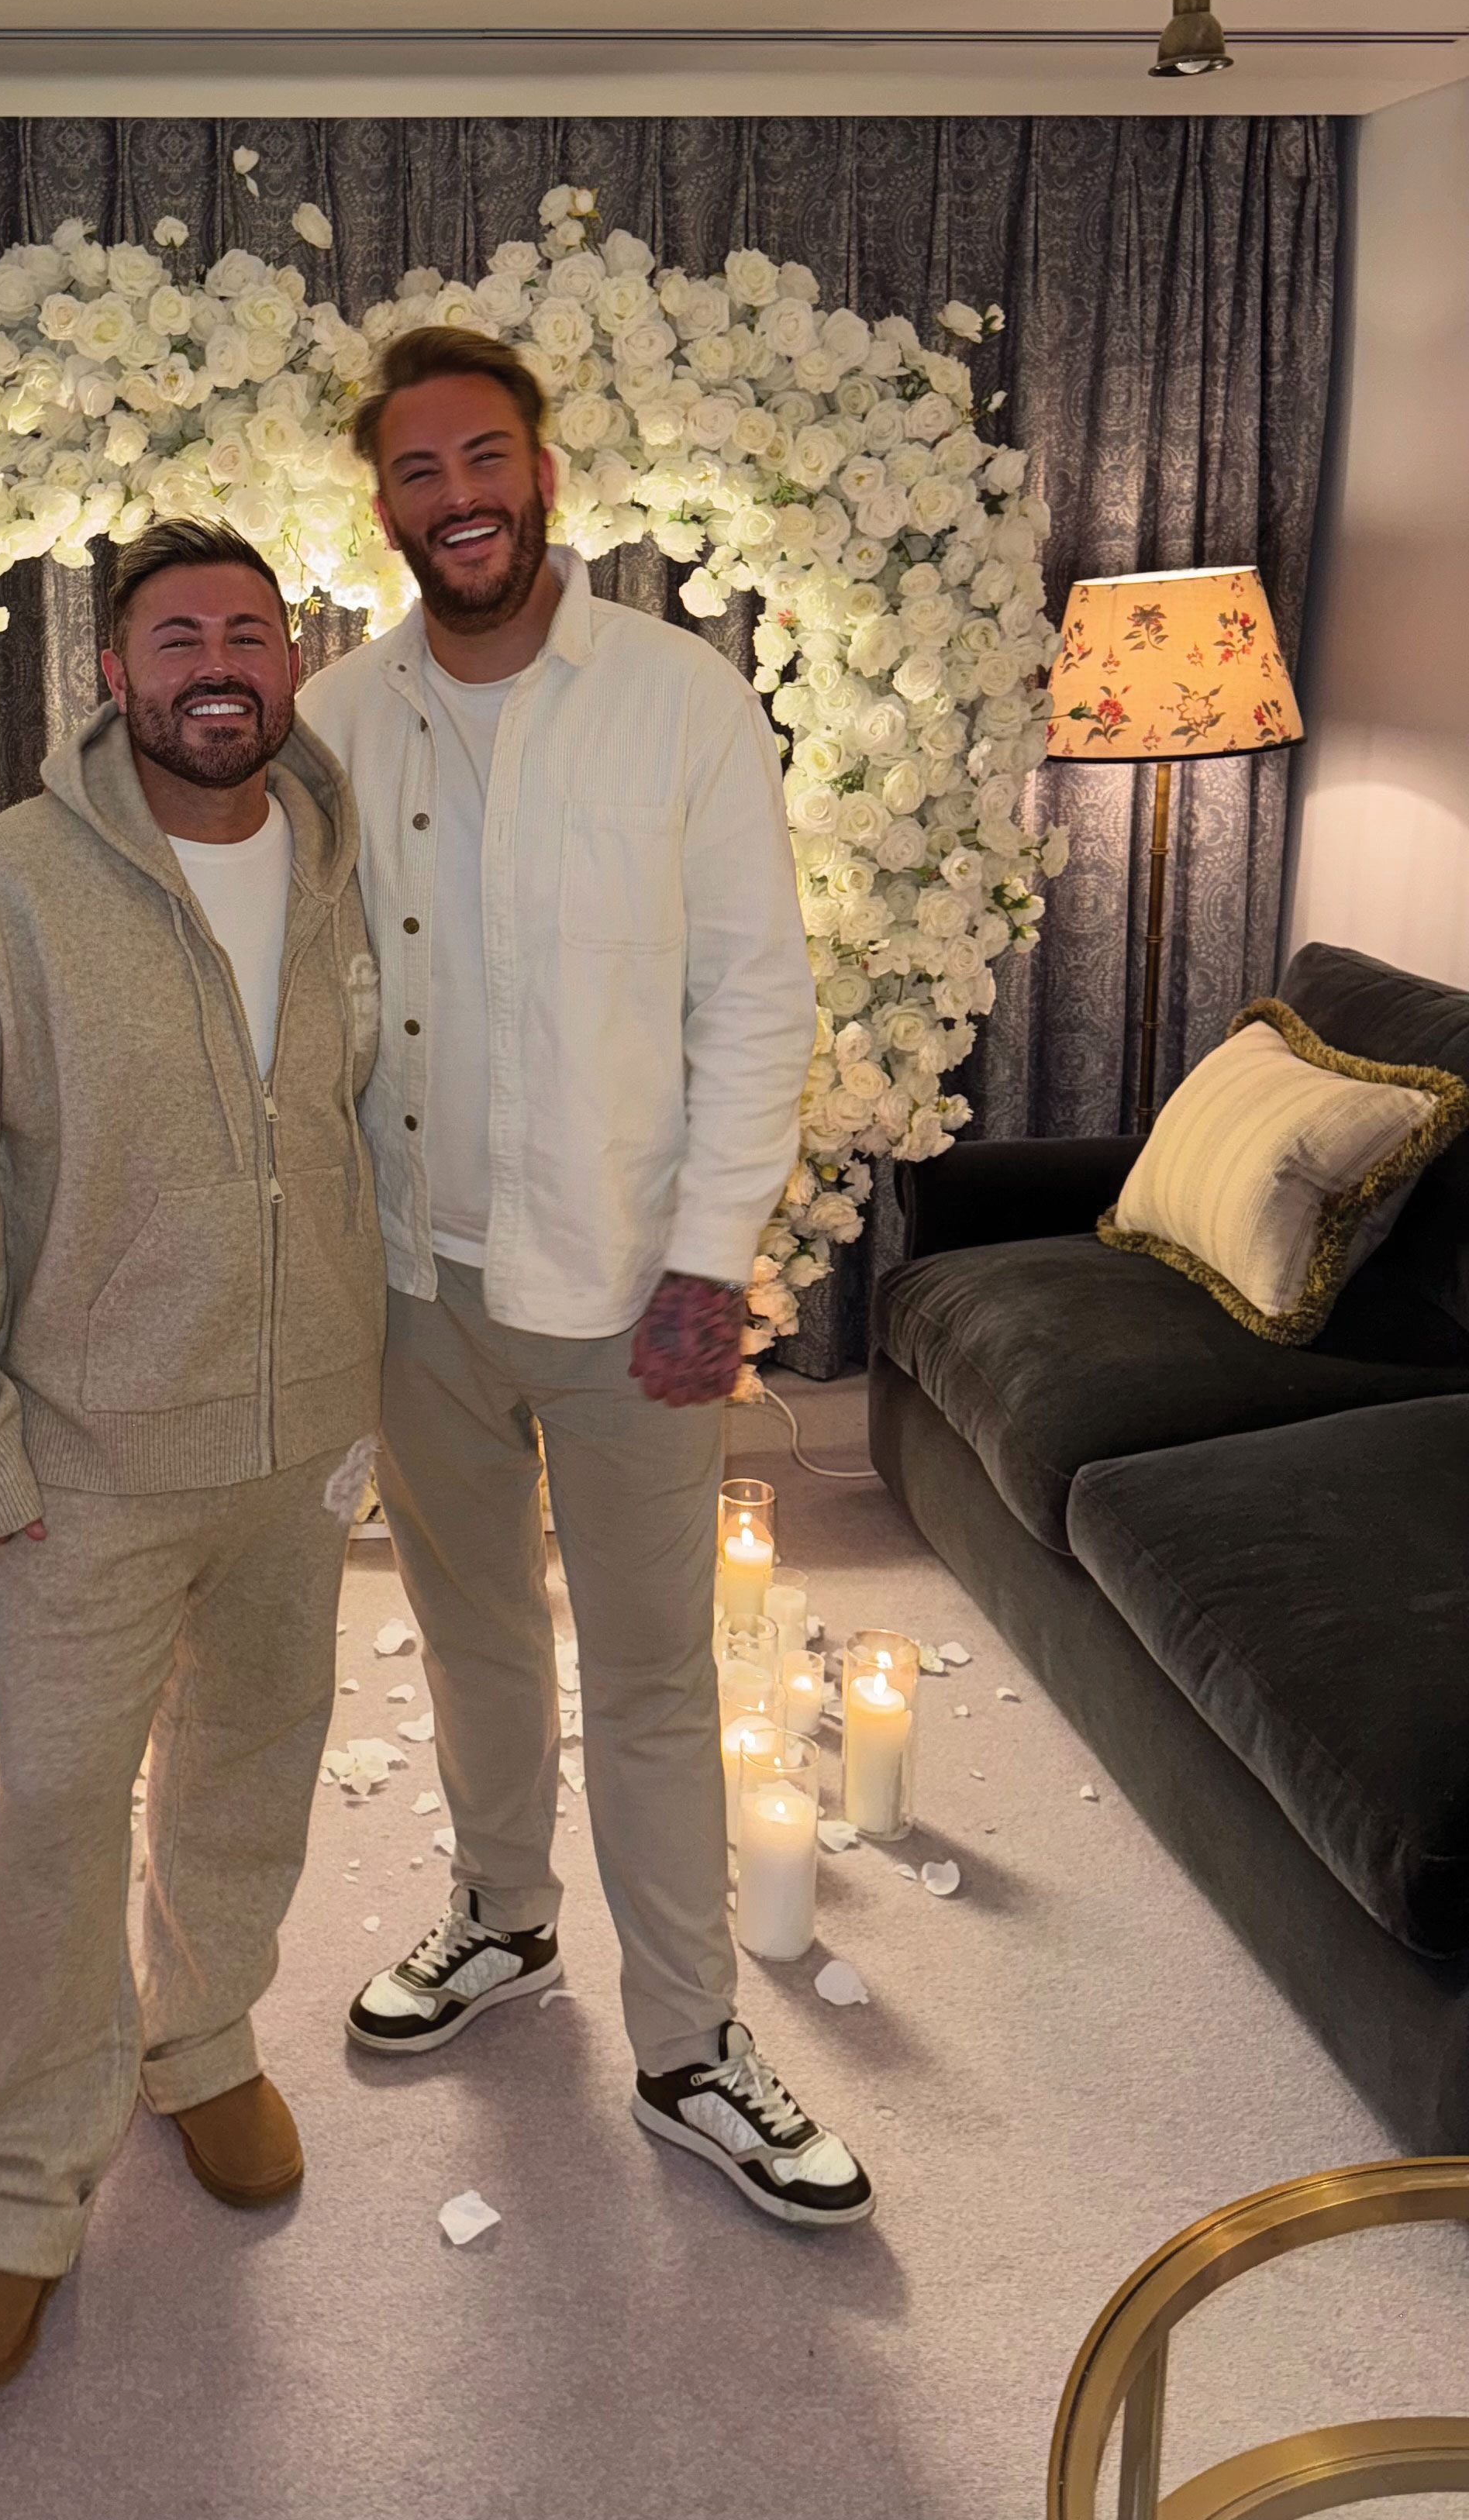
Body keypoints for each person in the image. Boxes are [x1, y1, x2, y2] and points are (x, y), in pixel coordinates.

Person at [298, 324, 873, 2229]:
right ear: (383, 506)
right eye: (417, 471)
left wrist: (712, 1262)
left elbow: (757, 996)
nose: (455, 497)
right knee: (466, 1636)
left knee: (647, 1676)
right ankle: (504, 1915)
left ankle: (692, 2044)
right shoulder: (338, 716)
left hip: (631, 1287)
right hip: (413, 1287)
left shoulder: (679, 698)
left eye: (485, 458)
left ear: (545, 471)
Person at [0, 518, 387, 2391]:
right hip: (87, 1456)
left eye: (249, 632)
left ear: (290, 662)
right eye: (179, 639)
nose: (218, 666)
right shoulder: (5, 895)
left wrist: (371, 1371)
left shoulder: (340, 864)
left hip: (300, 1433)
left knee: (254, 1759)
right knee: (64, 1820)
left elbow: (357, 1126)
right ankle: (18, 2187)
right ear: (112, 673)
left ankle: (205, 2037)